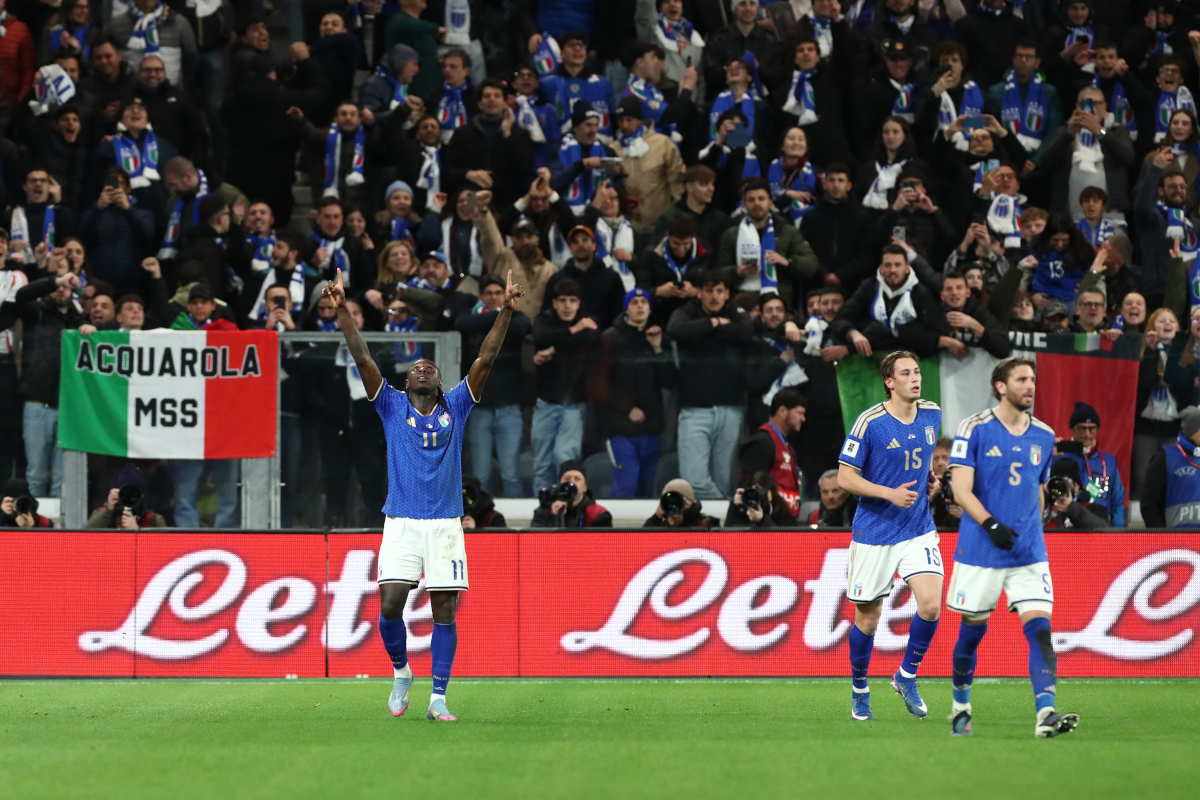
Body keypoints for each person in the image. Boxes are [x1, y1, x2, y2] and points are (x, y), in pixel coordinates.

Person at [325, 260, 524, 723]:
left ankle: (438, 698)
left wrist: (506, 312)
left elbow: (487, 358)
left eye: (429, 367)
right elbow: (363, 357)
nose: (422, 368)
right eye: (416, 367)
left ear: (438, 382)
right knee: (390, 603)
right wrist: (342, 312)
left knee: (444, 609)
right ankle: (400, 672)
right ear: (408, 381)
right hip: (401, 522)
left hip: (446, 525)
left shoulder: (457, 404)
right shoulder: (391, 406)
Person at [946, 356, 1081, 739]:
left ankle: (1046, 715)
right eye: (1021, 379)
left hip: (1028, 552)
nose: (1030, 385)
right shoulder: (974, 428)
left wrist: (1045, 509)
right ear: (1000, 386)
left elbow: (1038, 488)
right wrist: (990, 523)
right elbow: (960, 489)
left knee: (1040, 630)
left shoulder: (1043, 434)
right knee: (972, 633)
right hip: (981, 551)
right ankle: (960, 706)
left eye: (1032, 379)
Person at [837, 350, 943, 722]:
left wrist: (930, 477)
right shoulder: (870, 422)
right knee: (868, 618)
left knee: (930, 605)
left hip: (918, 529)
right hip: (875, 531)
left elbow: (923, 454)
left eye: (917, 371)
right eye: (906, 373)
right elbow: (844, 477)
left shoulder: (932, 412)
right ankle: (860, 687)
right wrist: (889, 493)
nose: (916, 378)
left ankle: (906, 676)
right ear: (889, 381)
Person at [668, 270, 753, 498]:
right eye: (708, 291)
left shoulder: (736, 312)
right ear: (699, 293)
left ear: (727, 293)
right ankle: (718, 514)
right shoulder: (685, 311)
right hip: (694, 411)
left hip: (731, 409)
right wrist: (714, 322)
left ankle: (720, 529)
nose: (714, 296)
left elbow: (745, 332)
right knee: (694, 481)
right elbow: (677, 330)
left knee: (725, 480)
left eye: (719, 291)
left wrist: (704, 330)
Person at [589, 287, 677, 497]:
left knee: (647, 489)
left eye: (644, 302)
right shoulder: (609, 338)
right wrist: (627, 408)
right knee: (626, 484)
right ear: (626, 308)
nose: (639, 307)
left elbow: (670, 381)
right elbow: (596, 383)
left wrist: (657, 349)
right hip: (619, 427)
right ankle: (616, 531)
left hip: (651, 428)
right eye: (634, 302)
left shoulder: (657, 337)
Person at [12, 270, 92, 497]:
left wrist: (91, 331)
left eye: (66, 286)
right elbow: (22, 296)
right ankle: (32, 527)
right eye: (58, 285)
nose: (61, 289)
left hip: (69, 408)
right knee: (35, 474)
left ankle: (58, 532)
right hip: (37, 405)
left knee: (62, 477)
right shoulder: (35, 312)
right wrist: (55, 280)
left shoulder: (79, 321)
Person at [454, 274, 531, 498]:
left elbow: (522, 328)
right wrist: (500, 315)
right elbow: (461, 324)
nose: (494, 296)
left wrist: (499, 315)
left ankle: (515, 527)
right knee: (481, 475)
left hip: (510, 407)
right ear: (480, 296)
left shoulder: (517, 317)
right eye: (489, 293)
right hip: (479, 408)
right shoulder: (472, 316)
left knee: (511, 473)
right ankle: (481, 524)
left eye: (498, 293)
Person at [829, 244, 950, 359]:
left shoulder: (921, 293)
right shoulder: (868, 287)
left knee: (909, 331)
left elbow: (938, 330)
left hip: (910, 359)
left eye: (898, 265)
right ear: (881, 268)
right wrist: (852, 333)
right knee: (876, 329)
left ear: (907, 268)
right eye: (888, 265)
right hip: (869, 358)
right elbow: (840, 320)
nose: (893, 270)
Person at [1052, 401, 1127, 526]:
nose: (1087, 434)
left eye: (1091, 429)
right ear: (1072, 429)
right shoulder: (1058, 457)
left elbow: (1117, 502)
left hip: (1099, 530)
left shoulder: (1109, 462)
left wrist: (1116, 533)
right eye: (1082, 428)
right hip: (1064, 530)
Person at [737, 388, 806, 518]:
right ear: (783, 411)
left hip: (786, 523)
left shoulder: (787, 446)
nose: (803, 419)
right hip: (769, 526)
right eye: (799, 413)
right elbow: (748, 487)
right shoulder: (762, 443)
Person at [1142, 405, 1200, 527]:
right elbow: (1149, 503)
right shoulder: (1164, 457)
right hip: (1176, 541)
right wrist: (1162, 537)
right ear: (1193, 430)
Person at [530, 460, 613, 527]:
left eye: (577, 479)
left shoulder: (597, 514)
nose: (571, 482)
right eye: (567, 479)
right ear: (560, 484)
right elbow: (535, 543)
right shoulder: (544, 511)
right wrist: (553, 518)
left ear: (585, 487)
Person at [85, 465, 167, 528]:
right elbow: (83, 537)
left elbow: (164, 547)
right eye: (125, 493)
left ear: (143, 496)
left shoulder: (153, 520)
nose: (129, 497)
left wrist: (138, 532)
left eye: (134, 494)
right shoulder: (105, 513)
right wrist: (108, 511)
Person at [1042, 457, 1112, 529]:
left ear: (1076, 486)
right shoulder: (1044, 507)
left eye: (1064, 484)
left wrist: (1072, 508)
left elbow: (1104, 532)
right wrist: (1042, 495)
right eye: (1055, 484)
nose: (1059, 488)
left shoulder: (1094, 509)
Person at [724, 472, 795, 527]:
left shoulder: (780, 508)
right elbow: (728, 537)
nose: (759, 496)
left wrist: (762, 520)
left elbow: (783, 539)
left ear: (771, 493)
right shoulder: (744, 505)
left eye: (762, 492)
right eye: (755, 492)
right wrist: (734, 507)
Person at [643, 478, 720, 527]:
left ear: (691, 502)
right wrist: (655, 518)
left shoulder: (706, 523)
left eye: (679, 501)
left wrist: (682, 524)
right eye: (669, 500)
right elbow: (642, 543)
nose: (674, 504)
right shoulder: (660, 523)